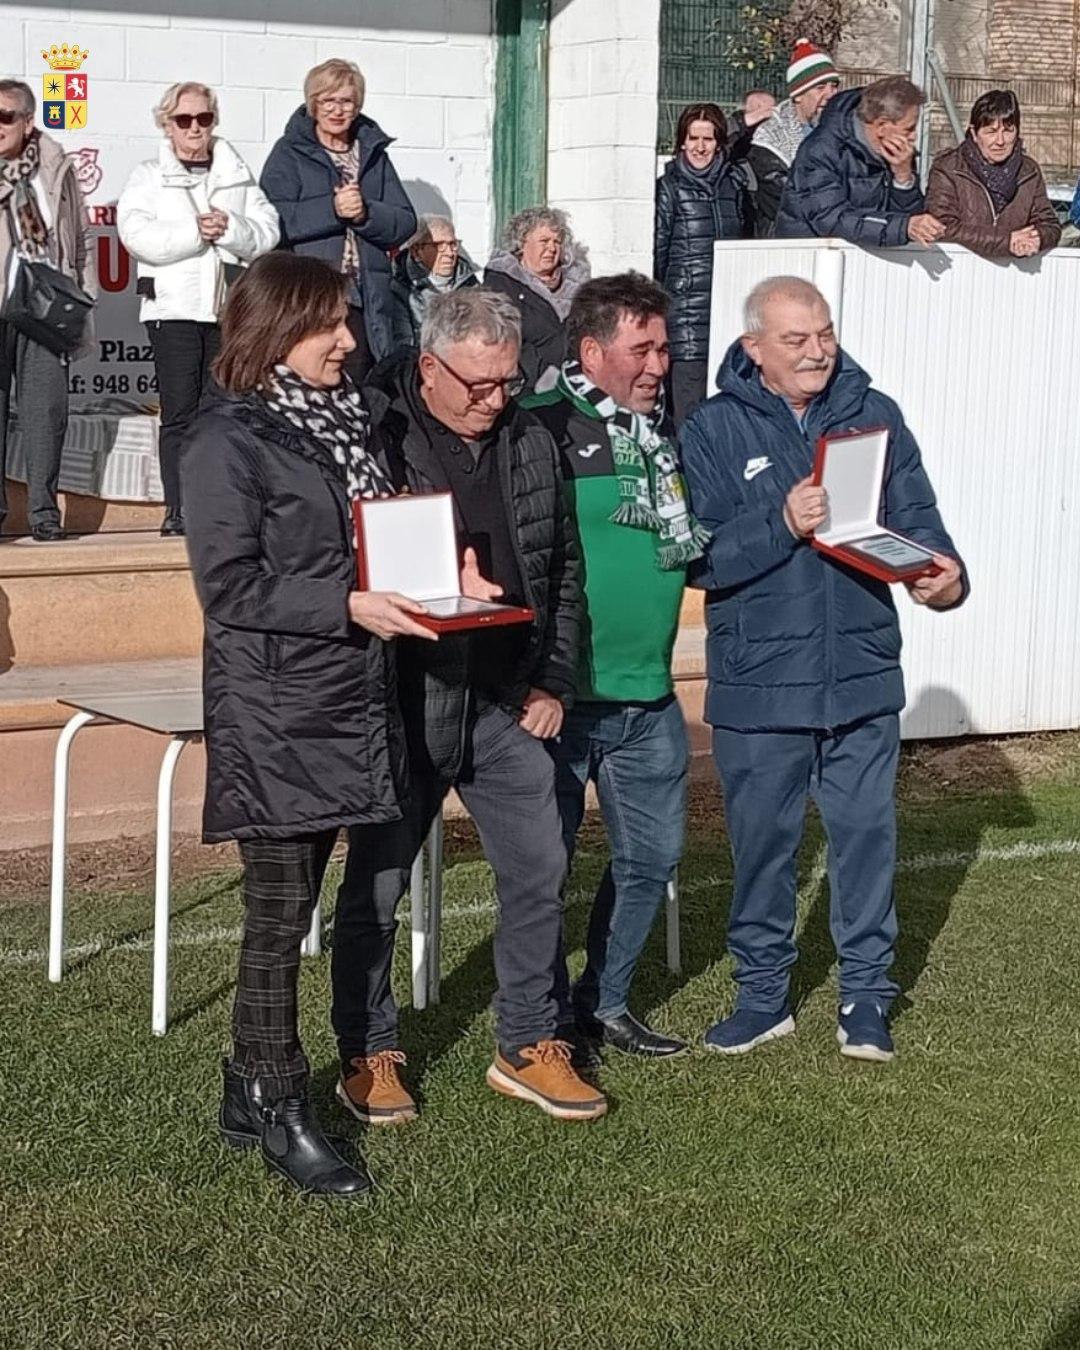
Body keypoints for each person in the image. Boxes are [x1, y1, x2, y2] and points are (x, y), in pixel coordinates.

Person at [183, 252, 434, 1197]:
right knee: (281, 912)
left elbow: (381, 540)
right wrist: (351, 603)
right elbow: (230, 585)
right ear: (276, 330)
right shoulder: (223, 439)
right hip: (278, 706)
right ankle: (280, 1098)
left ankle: (245, 1090)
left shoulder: (351, 423)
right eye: (330, 324)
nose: (349, 341)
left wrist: (443, 581)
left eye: (348, 321)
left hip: (356, 697)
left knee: (299, 909)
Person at [332, 288, 607, 1125]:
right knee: (377, 887)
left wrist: (552, 681)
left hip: (500, 699)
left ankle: (527, 1041)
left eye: (507, 380)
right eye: (479, 384)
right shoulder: (375, 432)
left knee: (541, 868)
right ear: (429, 367)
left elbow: (562, 573)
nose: (496, 398)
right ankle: (367, 1051)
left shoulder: (531, 436)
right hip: (401, 698)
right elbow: (341, 562)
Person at [680, 276, 967, 1064]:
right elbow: (697, 558)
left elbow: (921, 526)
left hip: (861, 676)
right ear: (754, 349)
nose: (816, 351)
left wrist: (946, 579)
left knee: (866, 837)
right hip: (760, 685)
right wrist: (780, 523)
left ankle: (867, 994)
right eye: (797, 339)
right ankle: (763, 995)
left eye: (825, 334)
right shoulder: (709, 429)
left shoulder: (876, 416)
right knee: (765, 847)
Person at [525, 273, 709, 1058]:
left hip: (647, 698)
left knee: (651, 860)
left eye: (664, 348)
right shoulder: (538, 428)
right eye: (643, 349)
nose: (659, 365)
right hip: (562, 700)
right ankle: (540, 1020)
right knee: (545, 873)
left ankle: (605, 1003)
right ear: (593, 351)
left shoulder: (659, 437)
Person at [118, 81, 279, 537]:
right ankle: (179, 507)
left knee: (228, 414)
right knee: (180, 413)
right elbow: (135, 233)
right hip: (173, 311)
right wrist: (195, 231)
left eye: (203, 119)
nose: (194, 128)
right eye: (183, 120)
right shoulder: (148, 175)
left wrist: (230, 228)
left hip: (229, 313)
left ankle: (224, 508)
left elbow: (268, 231)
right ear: (166, 124)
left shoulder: (235, 173)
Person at [260, 58, 416, 383]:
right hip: (311, 298)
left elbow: (405, 223)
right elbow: (272, 221)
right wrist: (333, 209)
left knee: (363, 386)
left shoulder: (374, 155)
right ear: (313, 105)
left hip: (367, 298)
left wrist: (364, 213)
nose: (337, 109)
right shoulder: (289, 153)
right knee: (313, 382)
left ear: (357, 106)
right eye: (327, 100)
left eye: (345, 101)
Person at [0, 78, 95, 542]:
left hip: (43, 308)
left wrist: (84, 297)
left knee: (46, 412)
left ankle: (42, 514)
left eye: (6, 116)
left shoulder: (55, 165)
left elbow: (80, 240)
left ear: (27, 120)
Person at [654, 103, 755, 426]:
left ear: (719, 142)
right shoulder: (669, 189)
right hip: (685, 322)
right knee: (689, 416)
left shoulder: (734, 186)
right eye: (693, 138)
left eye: (708, 139)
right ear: (682, 142)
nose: (700, 147)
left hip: (727, 316)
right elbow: (658, 253)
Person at [774, 75, 945, 248]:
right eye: (909, 129)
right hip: (811, 259)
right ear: (882, 126)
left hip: (868, 262)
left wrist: (903, 176)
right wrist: (904, 227)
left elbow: (905, 220)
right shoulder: (820, 150)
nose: (913, 136)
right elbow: (831, 220)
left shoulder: (898, 153)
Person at [925, 89, 1061, 260]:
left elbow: (1050, 225)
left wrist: (1037, 239)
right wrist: (1006, 241)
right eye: (991, 132)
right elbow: (941, 227)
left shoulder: (1029, 171)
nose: (1000, 141)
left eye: (1008, 130)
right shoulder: (948, 169)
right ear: (974, 133)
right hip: (957, 272)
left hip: (1014, 274)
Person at [484, 206, 590, 394]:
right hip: (530, 389)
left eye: (557, 242)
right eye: (544, 241)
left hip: (578, 385)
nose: (552, 248)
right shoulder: (502, 284)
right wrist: (540, 374)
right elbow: (502, 339)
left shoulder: (578, 286)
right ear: (522, 243)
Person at [748, 40, 841, 237]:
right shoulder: (770, 141)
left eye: (834, 86)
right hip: (785, 245)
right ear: (798, 95)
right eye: (820, 87)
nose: (830, 94)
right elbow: (787, 202)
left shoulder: (842, 135)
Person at [389, 213, 479, 348]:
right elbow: (404, 345)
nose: (449, 253)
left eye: (453, 244)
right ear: (416, 251)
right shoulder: (401, 288)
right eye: (439, 246)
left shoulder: (470, 283)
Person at [727, 88, 777, 161]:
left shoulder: (777, 134)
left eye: (771, 109)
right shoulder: (733, 129)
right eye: (758, 107)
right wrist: (743, 121)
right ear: (744, 108)